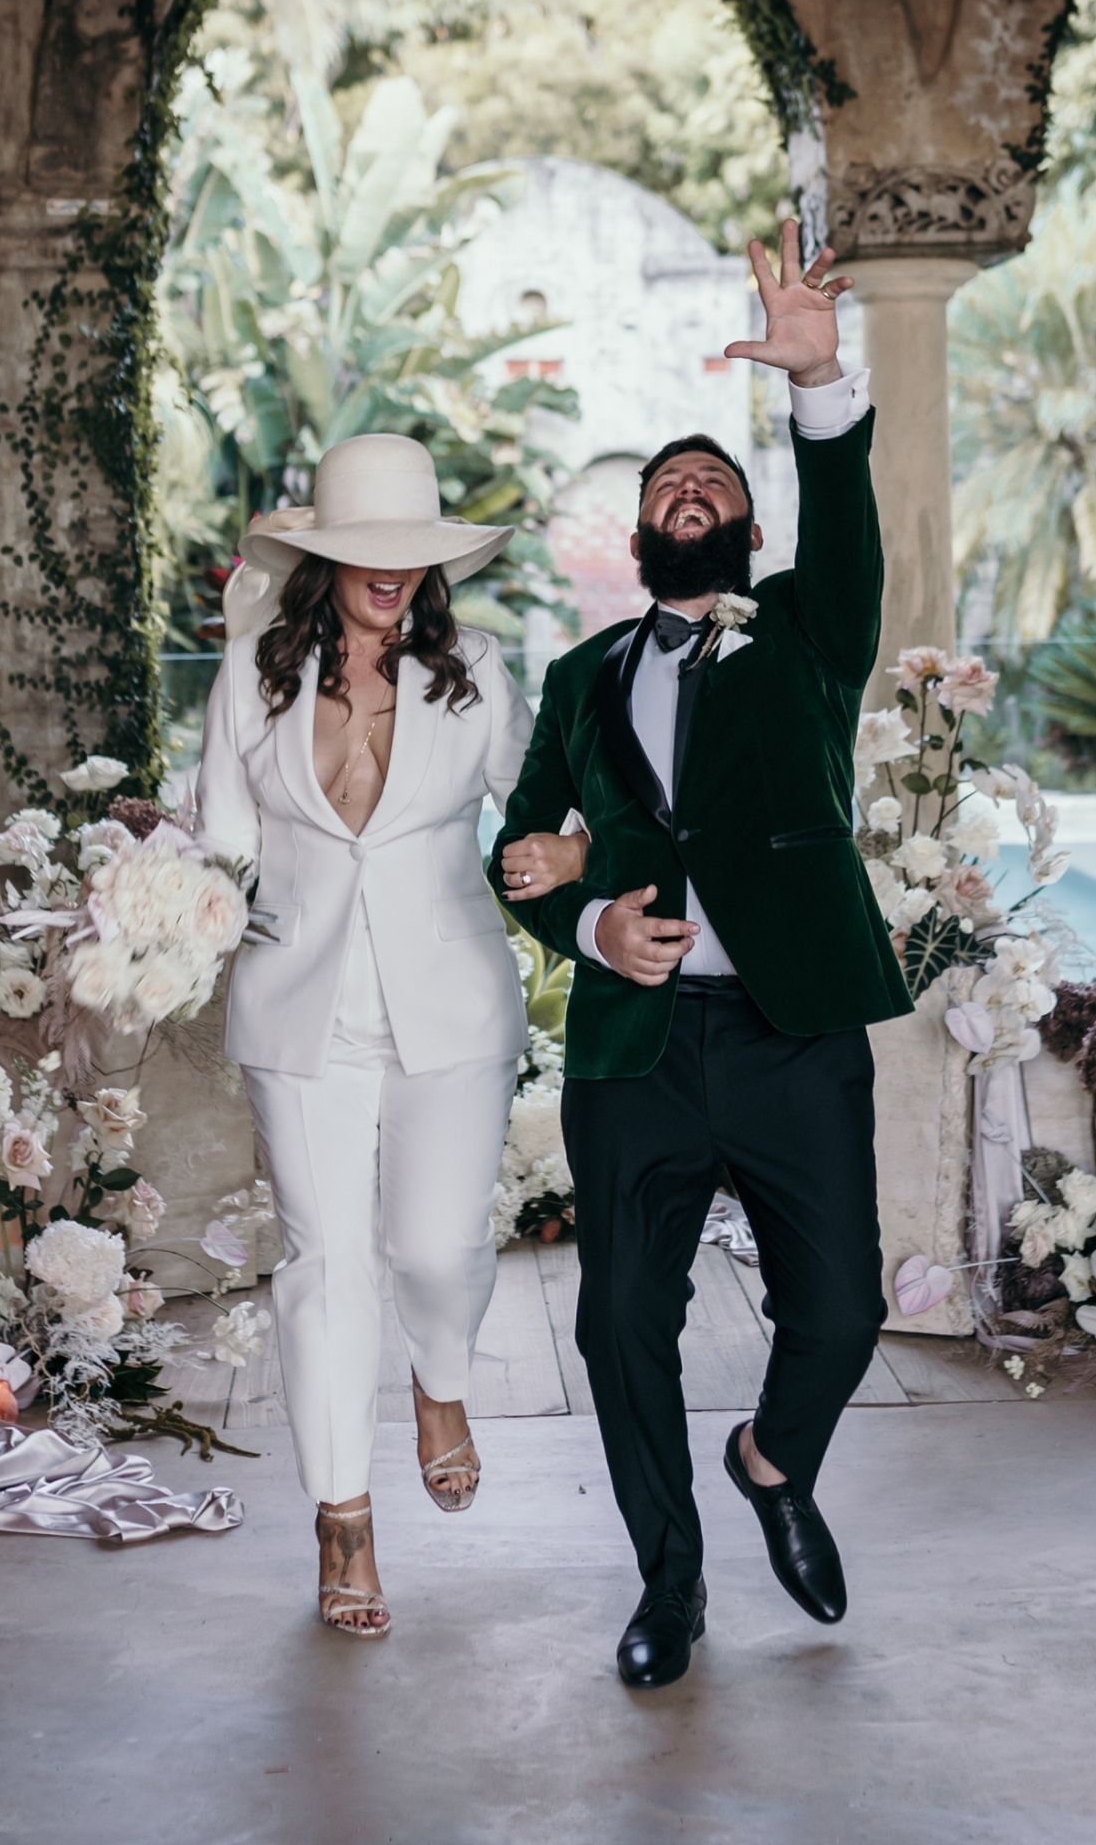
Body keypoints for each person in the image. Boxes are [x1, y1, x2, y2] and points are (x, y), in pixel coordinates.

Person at [487, 219, 915, 1688]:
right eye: (672, 482)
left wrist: (817, 391)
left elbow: (848, 536)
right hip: (637, 1055)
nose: (691, 489)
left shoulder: (804, 637)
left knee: (844, 1309)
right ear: (639, 530)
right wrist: (583, 916)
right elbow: (523, 851)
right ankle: (670, 1583)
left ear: (740, 528)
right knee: (619, 1326)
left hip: (792, 1031)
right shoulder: (579, 677)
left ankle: (772, 1464)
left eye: (716, 483)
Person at [196, 433, 584, 1638]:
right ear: (325, 560)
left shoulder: (471, 667)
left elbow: (544, 797)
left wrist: (567, 849)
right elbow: (221, 840)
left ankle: (443, 1383)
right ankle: (342, 1518)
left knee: (432, 1249)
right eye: (368, 553)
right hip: (298, 1010)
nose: (390, 574)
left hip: (452, 1002)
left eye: (410, 555)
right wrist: (165, 897)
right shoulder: (253, 677)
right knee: (326, 1265)